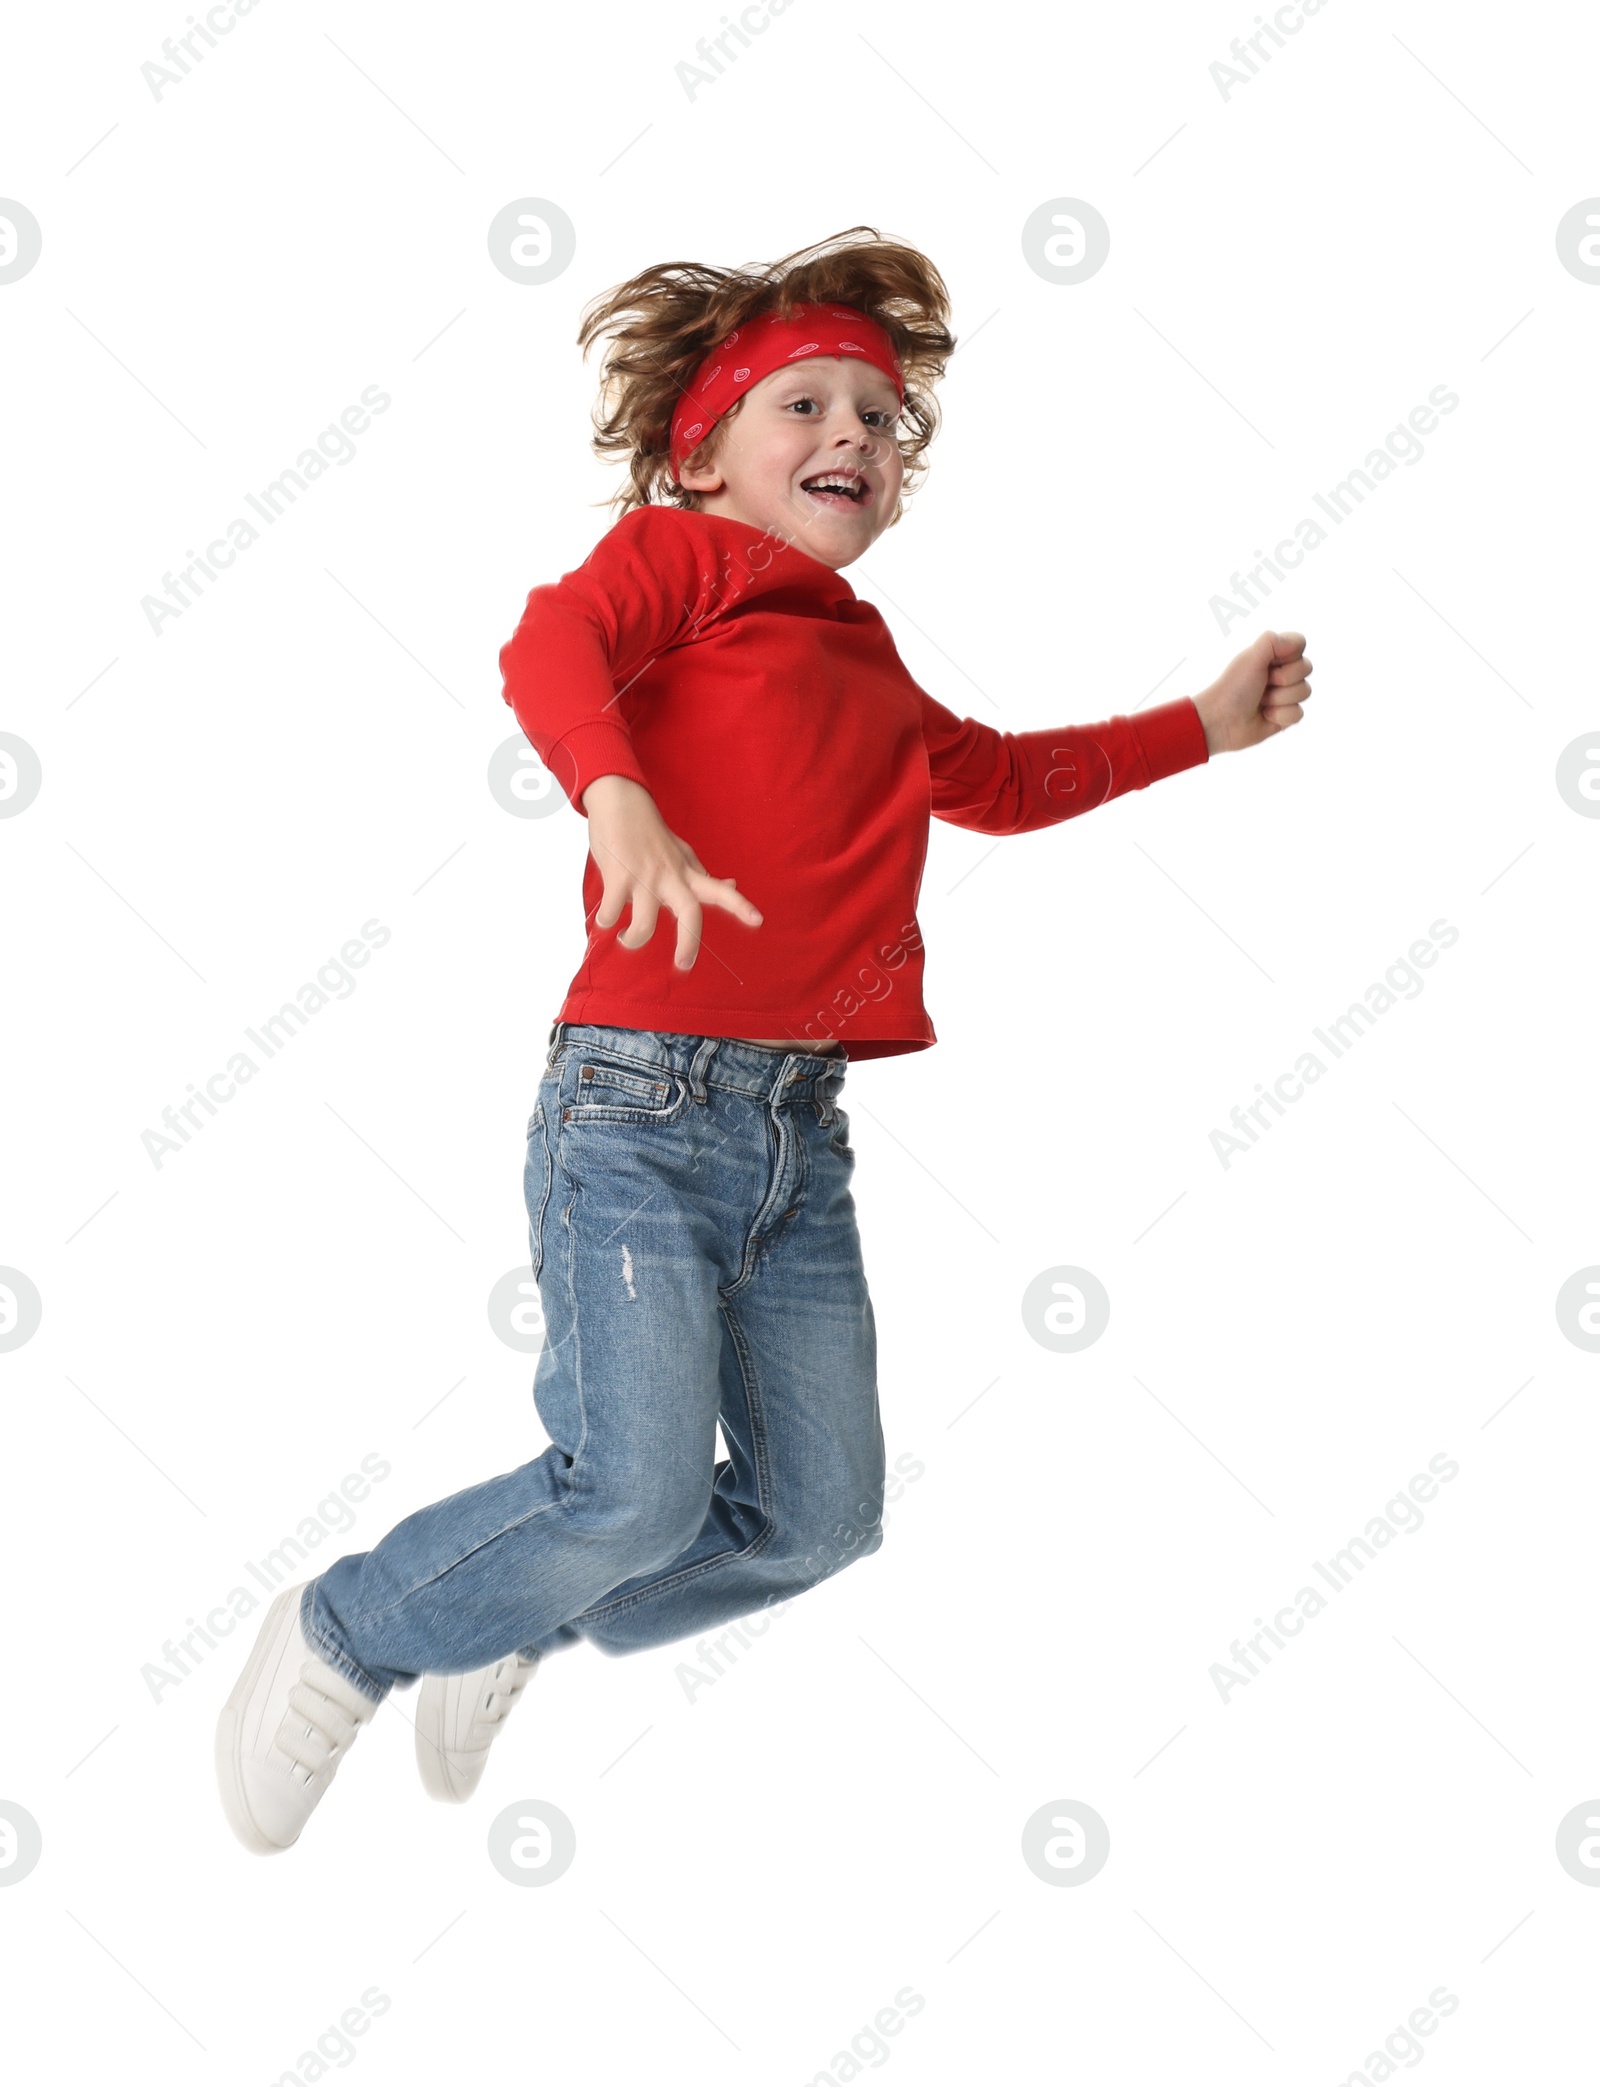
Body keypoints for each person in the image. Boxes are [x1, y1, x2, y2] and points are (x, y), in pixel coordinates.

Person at [215, 225, 1313, 1853]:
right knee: (634, 1489)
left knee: (819, 1520)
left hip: (800, 1139)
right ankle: (351, 1631)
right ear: (701, 450)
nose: (854, 436)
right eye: (806, 405)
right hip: (640, 1114)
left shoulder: (860, 655)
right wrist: (620, 799)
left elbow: (1001, 783)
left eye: (878, 418)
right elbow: (548, 643)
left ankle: (523, 1608)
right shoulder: (685, 567)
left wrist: (1200, 730)